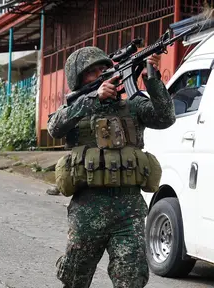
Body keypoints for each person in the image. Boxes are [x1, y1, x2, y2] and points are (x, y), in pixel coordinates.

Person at [49, 46, 176, 288]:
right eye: (91, 71)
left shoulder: (133, 105)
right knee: (75, 278)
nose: (100, 74)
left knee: (131, 278)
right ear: (78, 79)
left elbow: (165, 118)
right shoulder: (79, 108)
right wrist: (92, 99)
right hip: (88, 209)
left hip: (128, 211)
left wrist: (152, 80)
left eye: (104, 68)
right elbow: (55, 127)